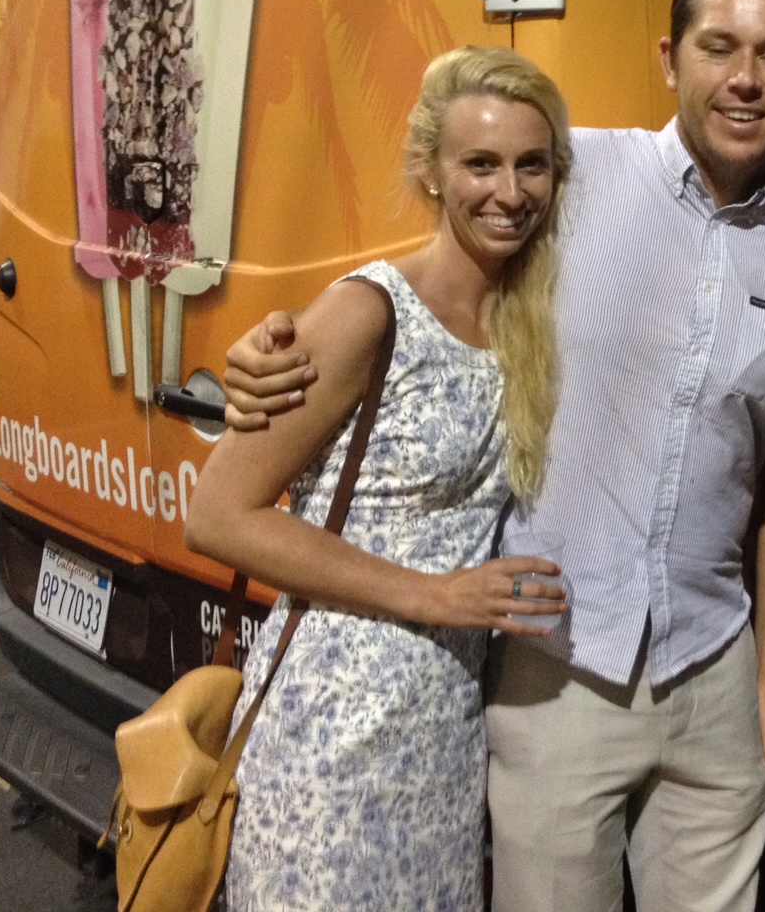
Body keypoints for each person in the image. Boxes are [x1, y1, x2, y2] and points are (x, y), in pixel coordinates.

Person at [221, 0, 765, 912]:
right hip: (556, 670)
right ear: (669, 58)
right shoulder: (569, 174)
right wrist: (275, 344)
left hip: (713, 669)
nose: (743, 77)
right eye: (716, 46)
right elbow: (435, 264)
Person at [184, 46, 572, 910]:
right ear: (431, 170)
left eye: (531, 165)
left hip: (440, 738)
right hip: (331, 735)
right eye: (480, 164)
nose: (510, 192)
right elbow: (218, 514)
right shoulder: (369, 310)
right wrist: (434, 595)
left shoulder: (525, 315)